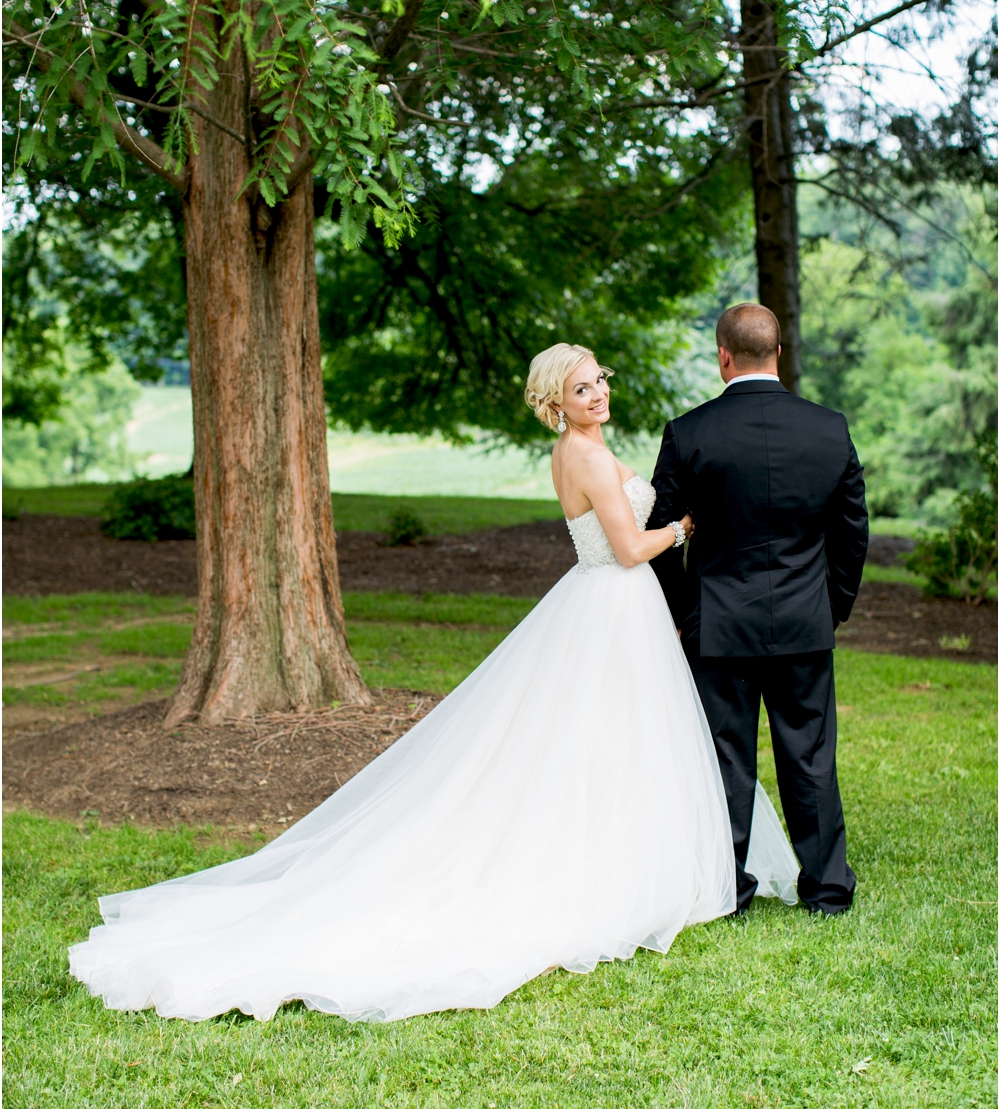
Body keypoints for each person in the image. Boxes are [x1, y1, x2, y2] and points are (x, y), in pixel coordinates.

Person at [69, 343, 798, 1025]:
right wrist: (685, 528)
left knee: (608, 738)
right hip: (612, 603)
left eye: (600, 380)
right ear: (557, 403)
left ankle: (639, 854)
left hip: (608, 608)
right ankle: (609, 868)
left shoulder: (578, 452)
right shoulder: (590, 460)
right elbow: (631, 547)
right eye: (582, 388)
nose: (599, 393)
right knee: (604, 736)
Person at [648, 304, 868, 916]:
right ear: (779, 353)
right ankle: (826, 890)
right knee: (811, 756)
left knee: (724, 758)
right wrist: (831, 606)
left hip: (718, 624)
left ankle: (729, 890)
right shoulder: (829, 429)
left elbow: (662, 529)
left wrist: (684, 614)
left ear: (724, 356)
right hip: (804, 620)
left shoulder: (688, 432)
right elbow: (852, 531)